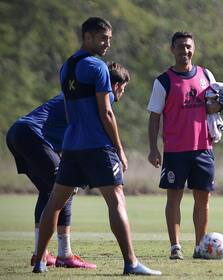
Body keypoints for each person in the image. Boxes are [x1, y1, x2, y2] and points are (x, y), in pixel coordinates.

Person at [32, 17, 161, 276]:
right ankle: (131, 263)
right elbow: (107, 113)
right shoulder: (97, 67)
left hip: (72, 147)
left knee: (54, 203)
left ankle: (39, 262)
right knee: (116, 200)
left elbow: (70, 111)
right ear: (87, 37)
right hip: (97, 147)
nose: (107, 44)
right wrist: (120, 149)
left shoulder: (66, 67)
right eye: (103, 38)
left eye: (110, 39)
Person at [147, 31, 220, 260]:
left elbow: (214, 106)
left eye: (188, 46)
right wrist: (153, 148)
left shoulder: (206, 75)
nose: (185, 51)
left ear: (194, 48)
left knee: (203, 200)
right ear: (172, 49)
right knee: (174, 199)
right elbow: (154, 116)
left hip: (203, 148)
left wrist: (218, 107)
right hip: (176, 151)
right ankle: (175, 246)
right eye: (180, 47)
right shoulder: (164, 81)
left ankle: (200, 246)